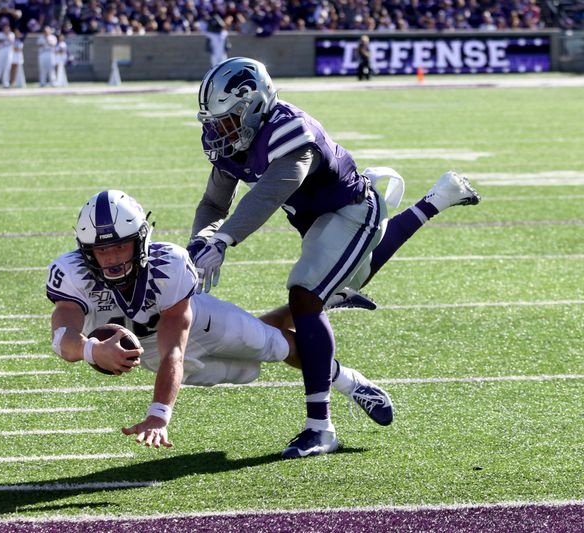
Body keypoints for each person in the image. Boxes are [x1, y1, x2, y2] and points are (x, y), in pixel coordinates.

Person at [189, 57, 480, 458]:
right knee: (323, 291)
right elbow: (213, 202)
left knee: (305, 294)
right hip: (317, 223)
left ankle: (320, 429)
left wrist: (223, 241)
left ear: (253, 104)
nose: (218, 131)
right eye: (215, 121)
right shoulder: (234, 144)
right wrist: (198, 242)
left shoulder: (290, 130)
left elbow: (269, 194)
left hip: (352, 212)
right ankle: (437, 199)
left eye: (227, 120)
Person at [47, 190, 393, 449]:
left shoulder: (168, 265)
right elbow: (63, 335)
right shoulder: (72, 272)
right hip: (150, 353)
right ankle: (324, 302)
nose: (111, 259)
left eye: (119, 246)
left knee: (272, 346)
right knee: (247, 371)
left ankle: (350, 381)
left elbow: (174, 350)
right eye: (101, 249)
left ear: (141, 241)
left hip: (198, 322)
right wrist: (92, 350)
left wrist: (158, 415)